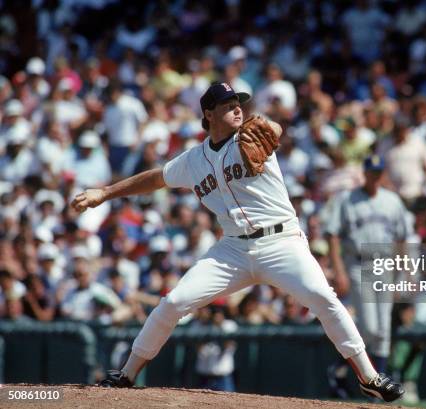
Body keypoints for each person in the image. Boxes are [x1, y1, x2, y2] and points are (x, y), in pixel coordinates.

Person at [71, 83, 404, 402]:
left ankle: (369, 377)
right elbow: (157, 178)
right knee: (173, 303)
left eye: (238, 106)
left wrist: (272, 125)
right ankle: (127, 375)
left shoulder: (250, 136)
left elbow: (272, 128)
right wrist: (105, 193)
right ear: (208, 114)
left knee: (322, 296)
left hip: (281, 242)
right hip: (232, 250)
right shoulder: (193, 161)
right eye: (228, 107)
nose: (237, 111)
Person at [326, 155, 410, 374]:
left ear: (382, 174)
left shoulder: (392, 200)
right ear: (364, 173)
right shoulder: (347, 199)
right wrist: (339, 270)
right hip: (358, 265)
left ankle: (376, 382)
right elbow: (332, 235)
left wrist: (404, 273)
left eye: (378, 172)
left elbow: (402, 239)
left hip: (386, 266)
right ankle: (341, 368)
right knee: (370, 327)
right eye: (371, 172)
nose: (374, 176)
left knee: (383, 330)